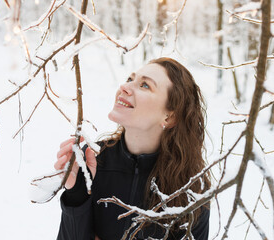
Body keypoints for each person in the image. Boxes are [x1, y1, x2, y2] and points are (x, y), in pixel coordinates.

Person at [55, 57, 211, 240]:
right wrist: (76, 194)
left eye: (145, 85)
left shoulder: (192, 187)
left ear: (169, 117)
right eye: (130, 79)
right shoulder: (93, 158)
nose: (125, 87)